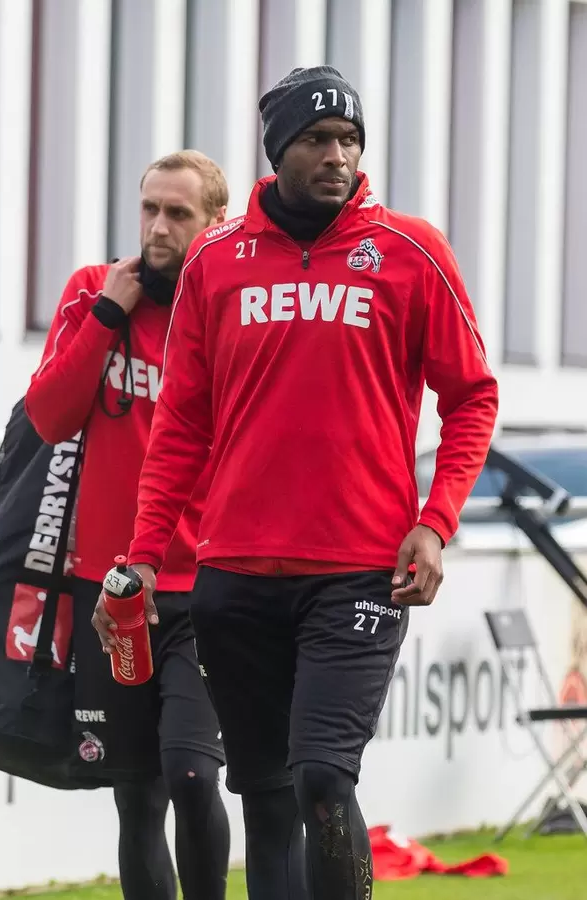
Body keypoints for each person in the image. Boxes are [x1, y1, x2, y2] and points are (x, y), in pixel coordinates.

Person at [125, 67, 499, 900]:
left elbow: (473, 394)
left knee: (323, 780)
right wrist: (145, 554)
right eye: (316, 141)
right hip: (234, 575)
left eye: (349, 140)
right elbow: (181, 423)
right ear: (277, 151)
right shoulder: (216, 263)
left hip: (361, 571)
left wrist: (435, 522)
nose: (338, 156)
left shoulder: (409, 251)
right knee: (265, 799)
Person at [25, 150, 230, 900]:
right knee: (134, 789)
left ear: (215, 224)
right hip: (109, 591)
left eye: (178, 214)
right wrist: (107, 316)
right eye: (149, 209)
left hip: (203, 584)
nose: (158, 228)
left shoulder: (224, 307)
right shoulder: (93, 291)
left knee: (192, 774)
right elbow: (48, 417)